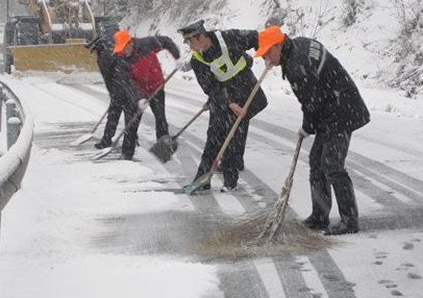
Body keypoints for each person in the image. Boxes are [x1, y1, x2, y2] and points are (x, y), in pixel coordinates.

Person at [254, 25, 370, 235]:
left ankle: (349, 221)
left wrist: (306, 128)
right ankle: (319, 216)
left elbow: (311, 102)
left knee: (332, 164)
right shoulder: (299, 44)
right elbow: (315, 95)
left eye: (267, 54)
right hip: (333, 107)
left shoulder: (297, 66)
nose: (266, 60)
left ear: (278, 46)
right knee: (317, 162)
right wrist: (312, 122)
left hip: (342, 110)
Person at [178, 20, 268, 192]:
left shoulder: (228, 37)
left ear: (201, 36)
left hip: (246, 87)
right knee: (214, 135)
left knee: (234, 133)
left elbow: (258, 38)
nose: (190, 47)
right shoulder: (197, 61)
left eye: (191, 42)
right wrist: (228, 102)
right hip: (223, 94)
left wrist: (267, 56)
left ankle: (230, 181)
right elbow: (210, 87)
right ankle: (203, 178)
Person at [113, 29, 183, 141]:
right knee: (132, 123)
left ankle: (163, 148)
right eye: (121, 49)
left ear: (130, 42)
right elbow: (127, 82)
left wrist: (177, 57)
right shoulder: (121, 60)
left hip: (157, 87)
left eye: (124, 47)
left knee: (161, 119)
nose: (123, 51)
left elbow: (166, 41)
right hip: (139, 90)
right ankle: (127, 154)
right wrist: (139, 98)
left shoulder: (147, 44)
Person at [87, 36, 143, 160]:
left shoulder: (107, 57)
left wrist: (138, 96)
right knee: (117, 117)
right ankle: (111, 141)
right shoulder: (114, 56)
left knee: (127, 121)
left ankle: (126, 151)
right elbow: (112, 77)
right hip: (120, 92)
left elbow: (112, 77)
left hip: (128, 93)